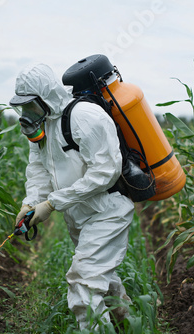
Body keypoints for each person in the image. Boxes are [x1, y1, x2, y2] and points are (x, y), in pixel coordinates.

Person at [9, 63, 135, 331]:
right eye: (22, 106)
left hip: (107, 212)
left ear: (46, 96)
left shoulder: (85, 117)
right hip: (78, 215)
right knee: (103, 278)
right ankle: (131, 323)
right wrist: (30, 202)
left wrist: (53, 203)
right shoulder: (42, 126)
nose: (27, 113)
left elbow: (106, 173)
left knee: (83, 286)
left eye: (31, 105)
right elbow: (39, 170)